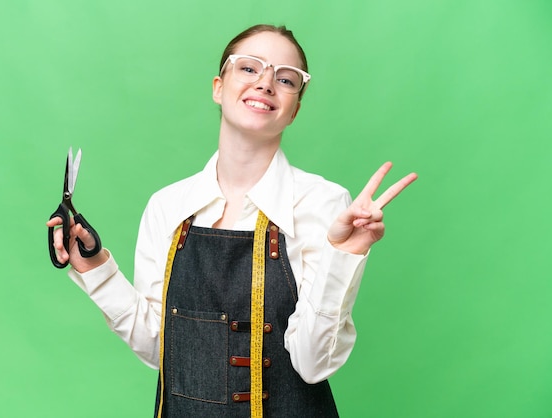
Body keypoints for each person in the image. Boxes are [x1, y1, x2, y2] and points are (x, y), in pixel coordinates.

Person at [47, 24, 417, 417]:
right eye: (249, 68)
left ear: (294, 109)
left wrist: (345, 252)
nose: (266, 82)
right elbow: (163, 351)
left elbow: (313, 365)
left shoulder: (325, 204)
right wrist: (94, 269)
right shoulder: (167, 206)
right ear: (218, 87)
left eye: (286, 78)